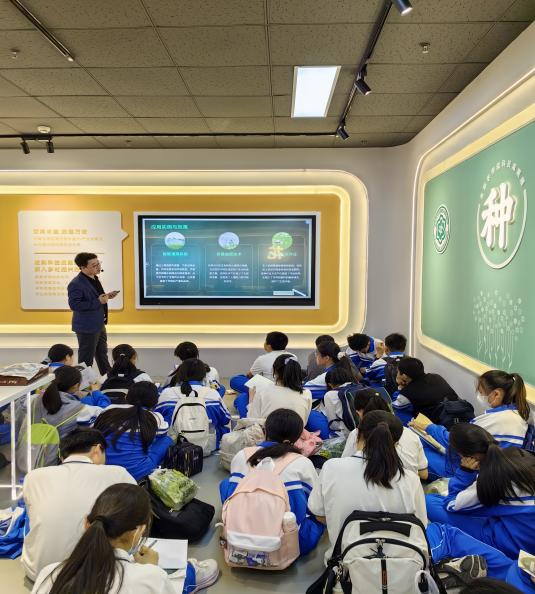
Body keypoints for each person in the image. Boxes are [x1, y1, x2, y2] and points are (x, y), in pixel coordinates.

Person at [31, 483, 220, 594]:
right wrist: (151, 569)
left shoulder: (49, 574)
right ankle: (189, 574)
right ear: (138, 532)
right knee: (179, 577)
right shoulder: (150, 578)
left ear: (87, 523)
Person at [308, 410, 427, 558]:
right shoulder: (411, 479)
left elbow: (320, 515)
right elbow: (420, 526)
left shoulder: (331, 468)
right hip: (400, 565)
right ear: (396, 444)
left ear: (357, 434)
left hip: (345, 563)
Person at [22, 428, 136, 581]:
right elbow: (137, 514)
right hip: (94, 577)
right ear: (97, 449)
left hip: (38, 572)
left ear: (62, 455)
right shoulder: (118, 474)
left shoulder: (34, 477)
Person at [220, 409, 324, 556]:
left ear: (265, 431)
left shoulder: (242, 455)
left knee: (226, 484)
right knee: (317, 514)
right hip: (284, 543)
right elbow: (313, 504)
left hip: (237, 538)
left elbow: (229, 494)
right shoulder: (302, 463)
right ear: (297, 437)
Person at [426, 423, 535, 560]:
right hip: (524, 531)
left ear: (463, 455)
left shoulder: (491, 479)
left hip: (517, 545)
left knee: (429, 502)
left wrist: (465, 472)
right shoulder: (517, 453)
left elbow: (451, 505)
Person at [410, 369, 530, 478]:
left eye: (481, 392)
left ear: (496, 394)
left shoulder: (494, 420)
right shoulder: (517, 415)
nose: (480, 396)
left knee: (415, 451)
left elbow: (456, 442)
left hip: (466, 469)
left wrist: (429, 427)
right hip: (481, 466)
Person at [341, 389, 429, 480]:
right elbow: (424, 474)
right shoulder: (410, 433)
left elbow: (344, 466)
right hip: (410, 485)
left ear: (359, 412)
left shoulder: (357, 434)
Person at [93, 382, 173, 481]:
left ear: (126, 397)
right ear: (155, 402)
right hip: (137, 473)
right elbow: (162, 434)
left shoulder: (109, 409)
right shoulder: (155, 417)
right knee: (167, 439)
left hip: (103, 467)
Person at [157, 358, 231, 448]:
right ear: (204, 376)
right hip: (207, 445)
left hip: (174, 444)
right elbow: (226, 419)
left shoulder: (167, 393)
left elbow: (158, 420)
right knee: (224, 429)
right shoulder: (213, 393)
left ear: (180, 374)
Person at [67, 252, 119, 375]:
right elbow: (75, 305)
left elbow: (94, 297)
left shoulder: (94, 278)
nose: (98, 267)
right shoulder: (76, 284)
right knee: (86, 360)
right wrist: (98, 301)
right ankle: (83, 383)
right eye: (94, 265)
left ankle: (109, 380)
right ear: (83, 267)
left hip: (99, 324)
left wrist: (107, 296)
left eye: (98, 263)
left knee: (102, 354)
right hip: (87, 327)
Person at [229, 331, 293, 417]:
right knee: (243, 396)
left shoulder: (262, 359)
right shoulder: (293, 357)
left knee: (236, 380)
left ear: (269, 346)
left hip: (266, 390)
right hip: (288, 386)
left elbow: (250, 375)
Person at [247, 354, 312, 424]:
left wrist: (251, 399)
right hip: (295, 430)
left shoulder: (263, 391)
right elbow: (304, 420)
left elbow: (252, 420)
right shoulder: (307, 393)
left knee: (243, 397)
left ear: (274, 370)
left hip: (269, 429)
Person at [392, 357, 459, 424]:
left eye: (398, 372)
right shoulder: (436, 377)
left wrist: (400, 387)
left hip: (436, 425)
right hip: (458, 415)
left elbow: (395, 407)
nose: (397, 373)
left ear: (404, 376)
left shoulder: (407, 393)